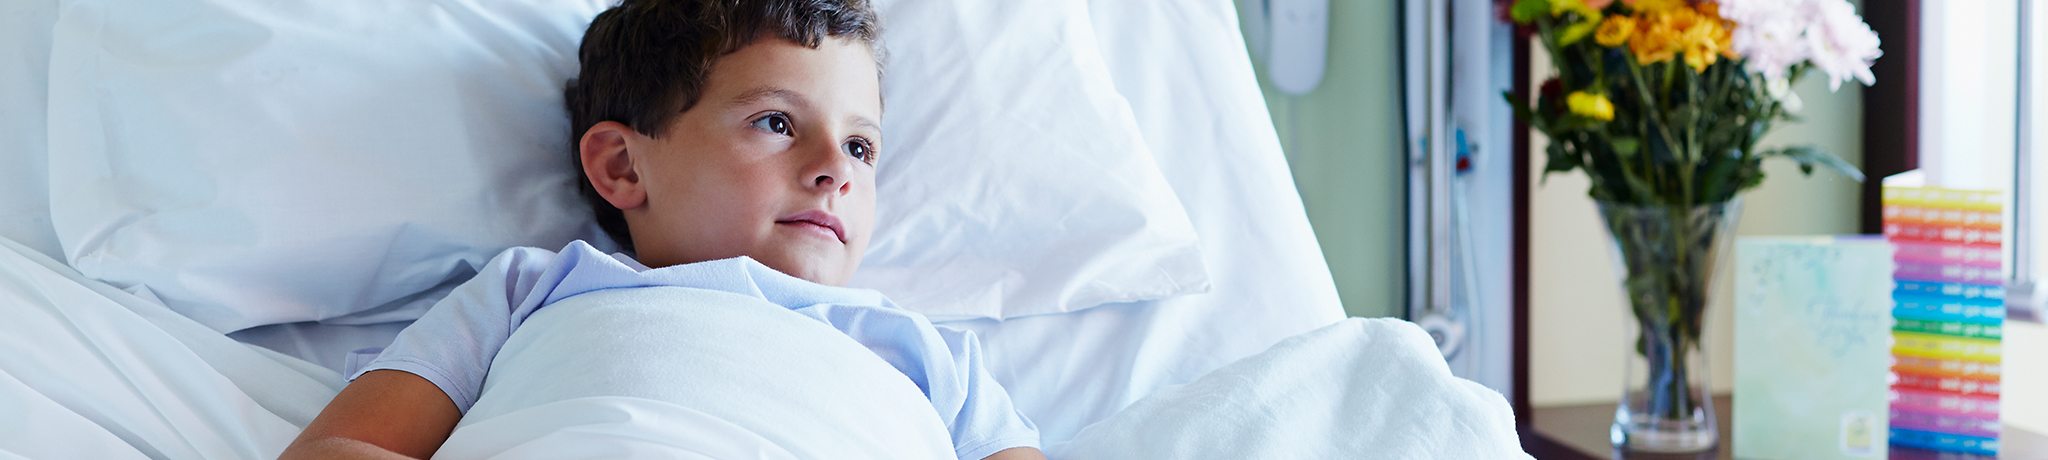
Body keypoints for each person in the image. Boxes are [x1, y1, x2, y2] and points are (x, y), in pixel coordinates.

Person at [281, 0, 1044, 458]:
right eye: (776, 122)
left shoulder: (931, 356)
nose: (835, 170)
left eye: (860, 145)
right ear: (622, 166)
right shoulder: (533, 290)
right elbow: (341, 447)